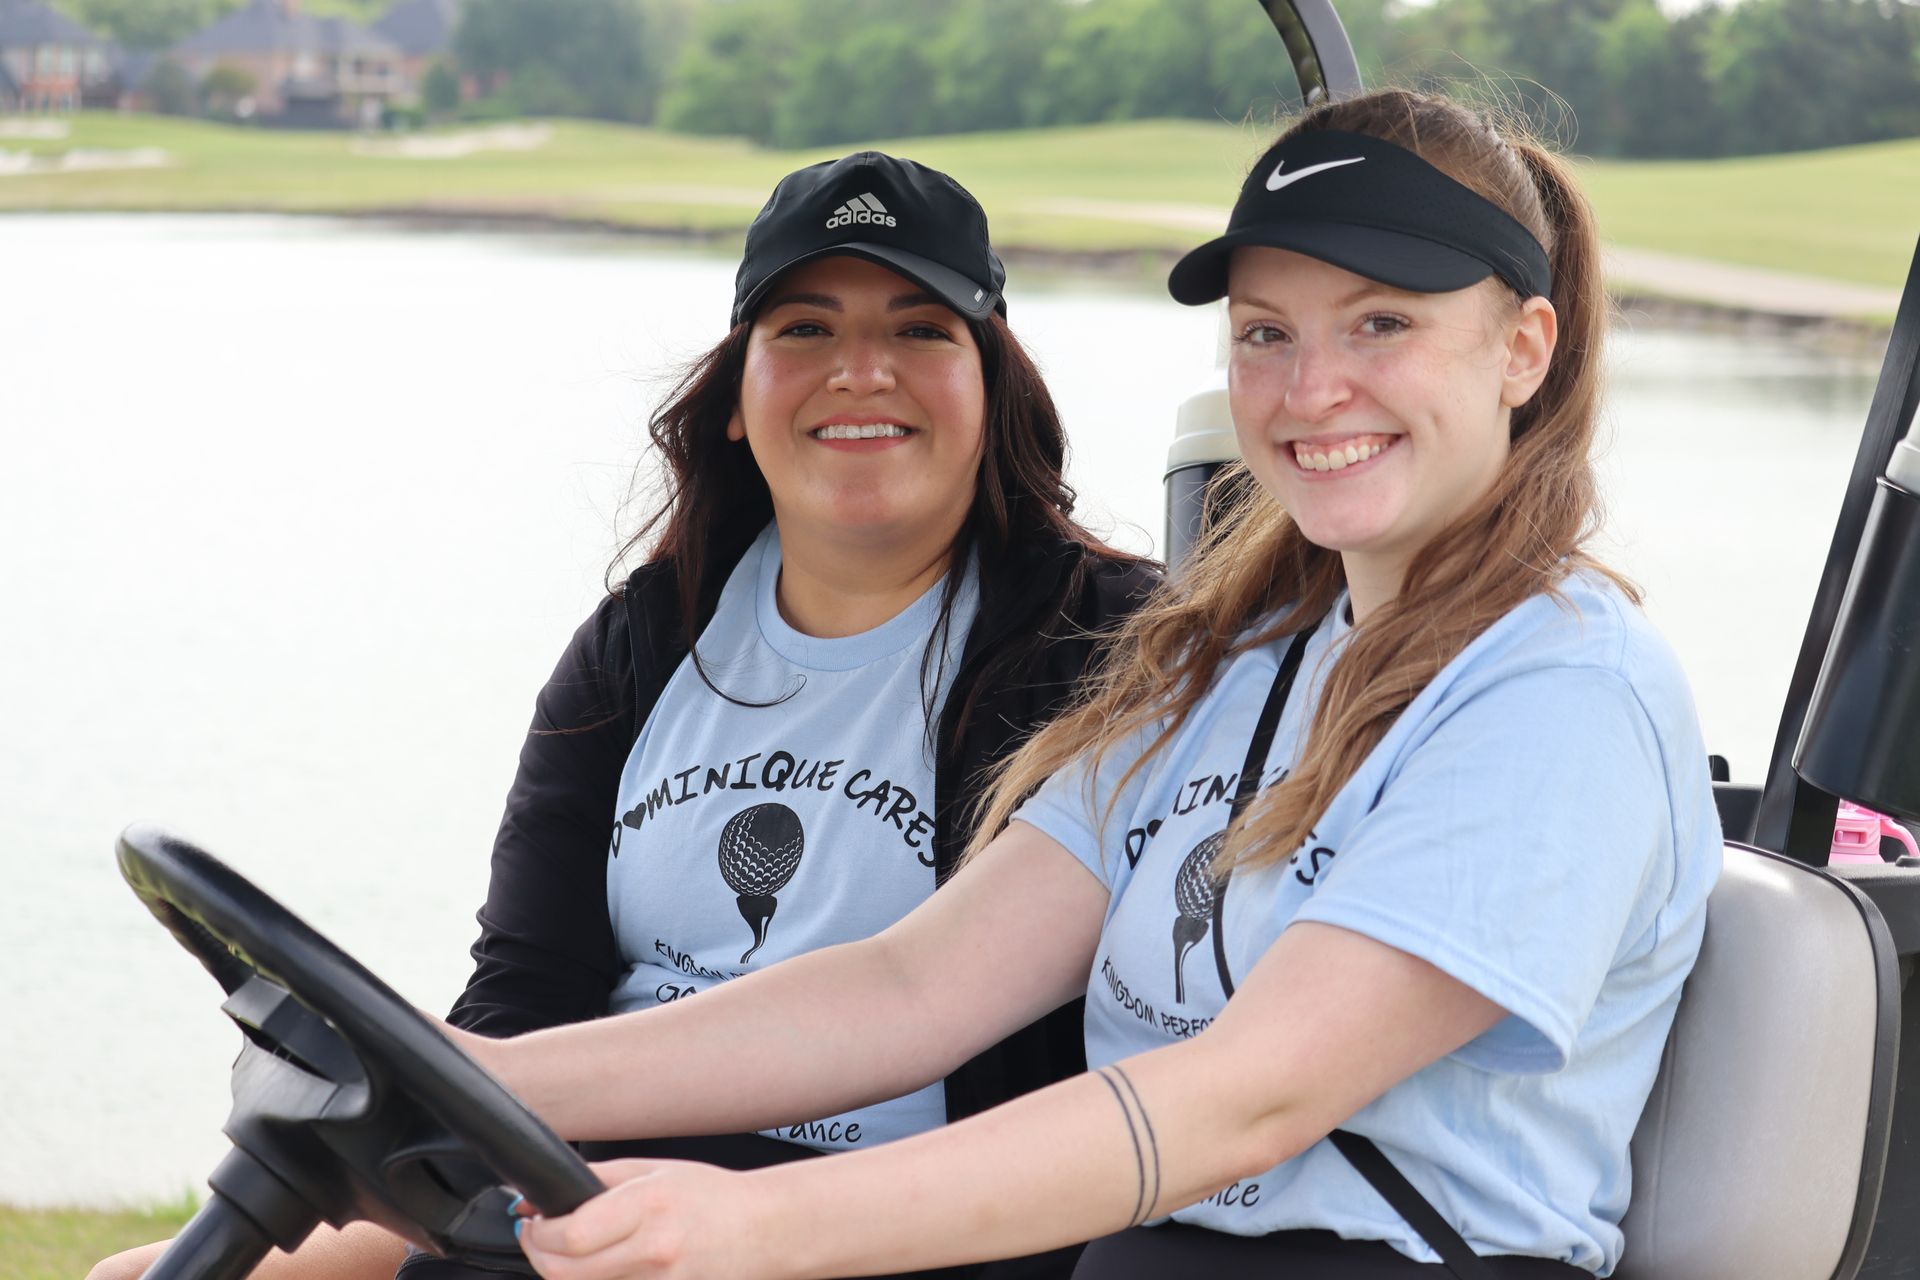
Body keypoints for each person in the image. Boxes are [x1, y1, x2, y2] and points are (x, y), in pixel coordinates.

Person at [455, 87, 1722, 1280]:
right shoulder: (1223, 662)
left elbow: (1248, 1097)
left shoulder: (1560, 692)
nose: (1311, 386)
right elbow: (914, 988)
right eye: (1267, 335)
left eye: (1382, 321)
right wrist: (481, 1075)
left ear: (1523, 349)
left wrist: (761, 1223)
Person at [87, 152, 1154, 1280]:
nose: (860, 371)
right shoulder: (644, 638)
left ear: (992, 387)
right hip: (579, 1186)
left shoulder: (1111, 645)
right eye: (803, 328)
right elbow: (522, 990)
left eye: (921, 329)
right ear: (737, 397)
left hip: (887, 1220)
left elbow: (960, 1010)